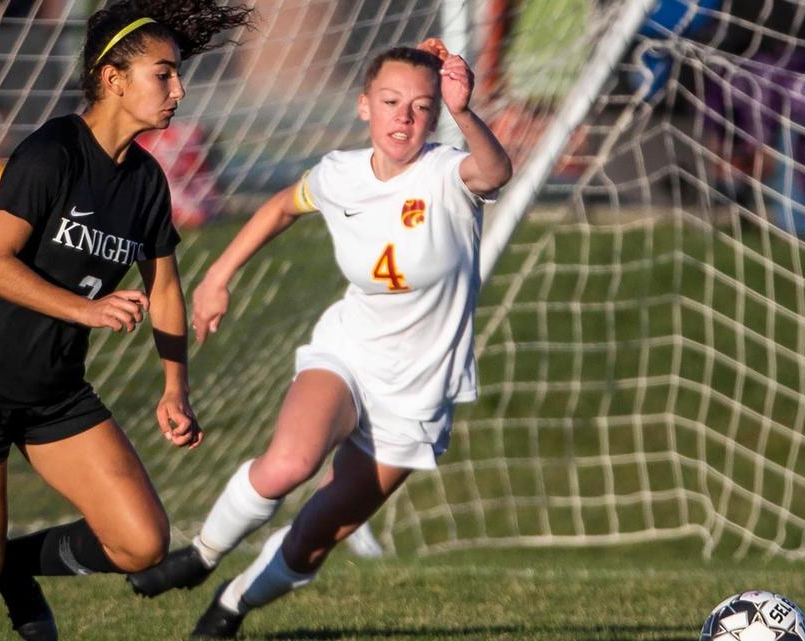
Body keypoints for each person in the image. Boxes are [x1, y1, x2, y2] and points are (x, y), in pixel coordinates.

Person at [0, 1, 255, 640]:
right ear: (114, 79)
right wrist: (88, 310)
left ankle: (13, 567)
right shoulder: (53, 151)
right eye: (163, 74)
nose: (179, 89)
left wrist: (176, 389)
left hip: (54, 392)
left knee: (141, 542)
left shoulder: (146, 180)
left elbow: (166, 290)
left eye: (177, 75)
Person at [124, 37, 513, 638]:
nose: (403, 119)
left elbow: (495, 171)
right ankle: (201, 554)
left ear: (437, 114)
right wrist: (218, 278)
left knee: (313, 539)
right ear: (364, 106)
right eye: (390, 101)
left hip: (418, 392)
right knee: (290, 463)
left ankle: (232, 606)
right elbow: (281, 206)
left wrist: (466, 112)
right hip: (348, 354)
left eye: (421, 107)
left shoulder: (446, 173)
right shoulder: (339, 175)